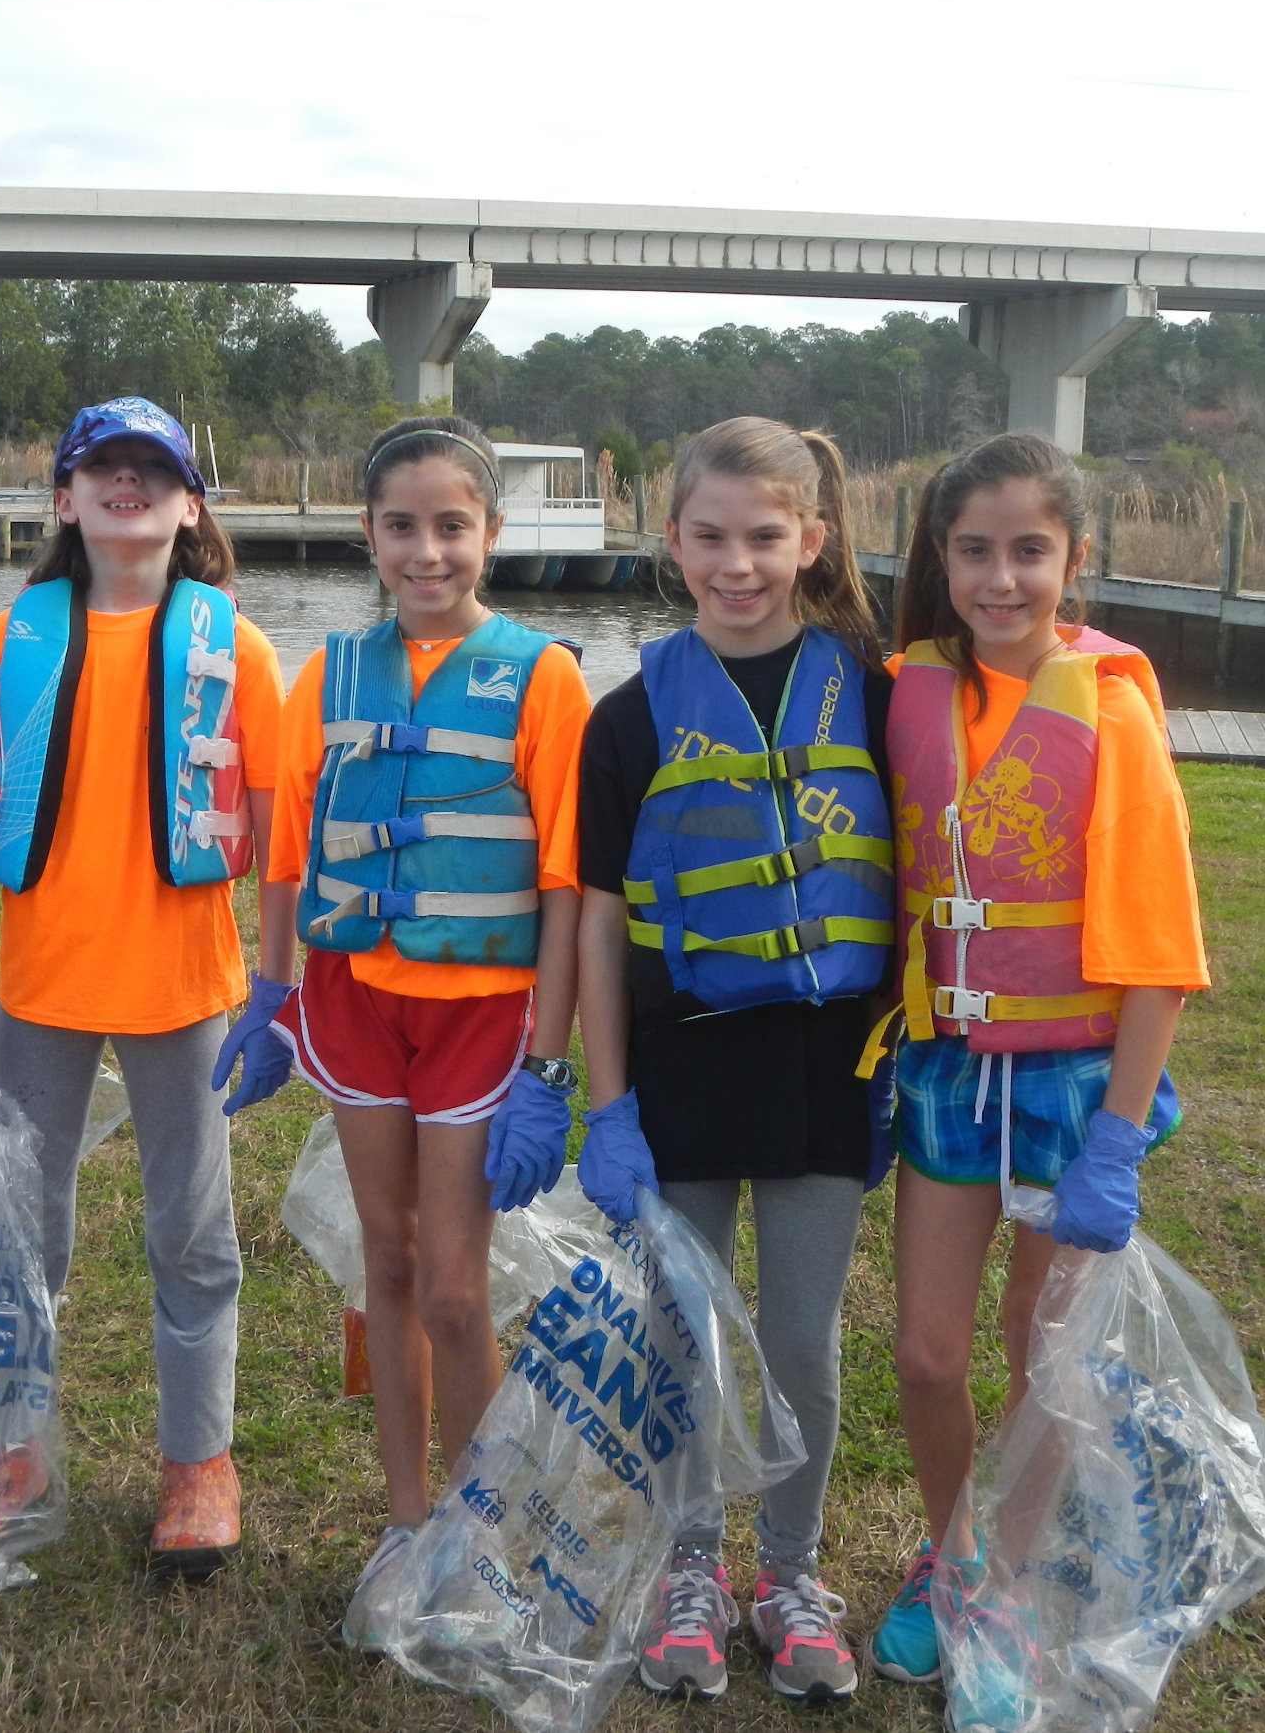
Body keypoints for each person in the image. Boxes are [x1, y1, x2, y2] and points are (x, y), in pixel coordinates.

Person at [224, 416, 590, 1645]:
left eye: (452, 526)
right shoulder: (321, 677)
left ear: (489, 533)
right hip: (352, 1006)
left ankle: (478, 1536)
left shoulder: (542, 677)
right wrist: (270, 993)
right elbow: (282, 860)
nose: (425, 552)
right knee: (380, 1264)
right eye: (400, 526)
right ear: (367, 534)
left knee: (449, 1287)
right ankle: (402, 1519)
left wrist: (548, 1057)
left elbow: (565, 884)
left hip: (481, 1019)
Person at [863, 433, 1208, 1720]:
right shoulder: (897, 686)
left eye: (1029, 551)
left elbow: (1158, 941)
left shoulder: (1111, 702)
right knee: (930, 1354)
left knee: (1046, 1358)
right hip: (950, 1069)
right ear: (938, 558)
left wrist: (1119, 1134)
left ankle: (997, 1593)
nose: (1001, 579)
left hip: (1075, 1081)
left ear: (1071, 559)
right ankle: (950, 1553)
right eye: (974, 550)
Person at [0, 397, 284, 1581]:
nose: (126, 487)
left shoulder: (237, 648)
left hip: (186, 992)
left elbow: (277, 829)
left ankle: (200, 1462)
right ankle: (7, 1448)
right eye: (102, 469)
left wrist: (277, 985)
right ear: (65, 498)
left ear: (191, 506)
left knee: (192, 1237)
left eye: (153, 472)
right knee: (23, 1234)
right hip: (39, 990)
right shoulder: (5, 641)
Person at [573, 417, 895, 1704]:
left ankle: (792, 1572)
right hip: (682, 1067)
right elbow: (597, 923)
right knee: (687, 1334)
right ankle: (691, 1570)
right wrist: (605, 1106)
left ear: (811, 541)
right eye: (709, 537)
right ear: (672, 543)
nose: (737, 564)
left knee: (803, 1341)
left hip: (830, 1066)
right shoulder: (626, 719)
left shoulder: (876, 694)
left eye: (765, 537)